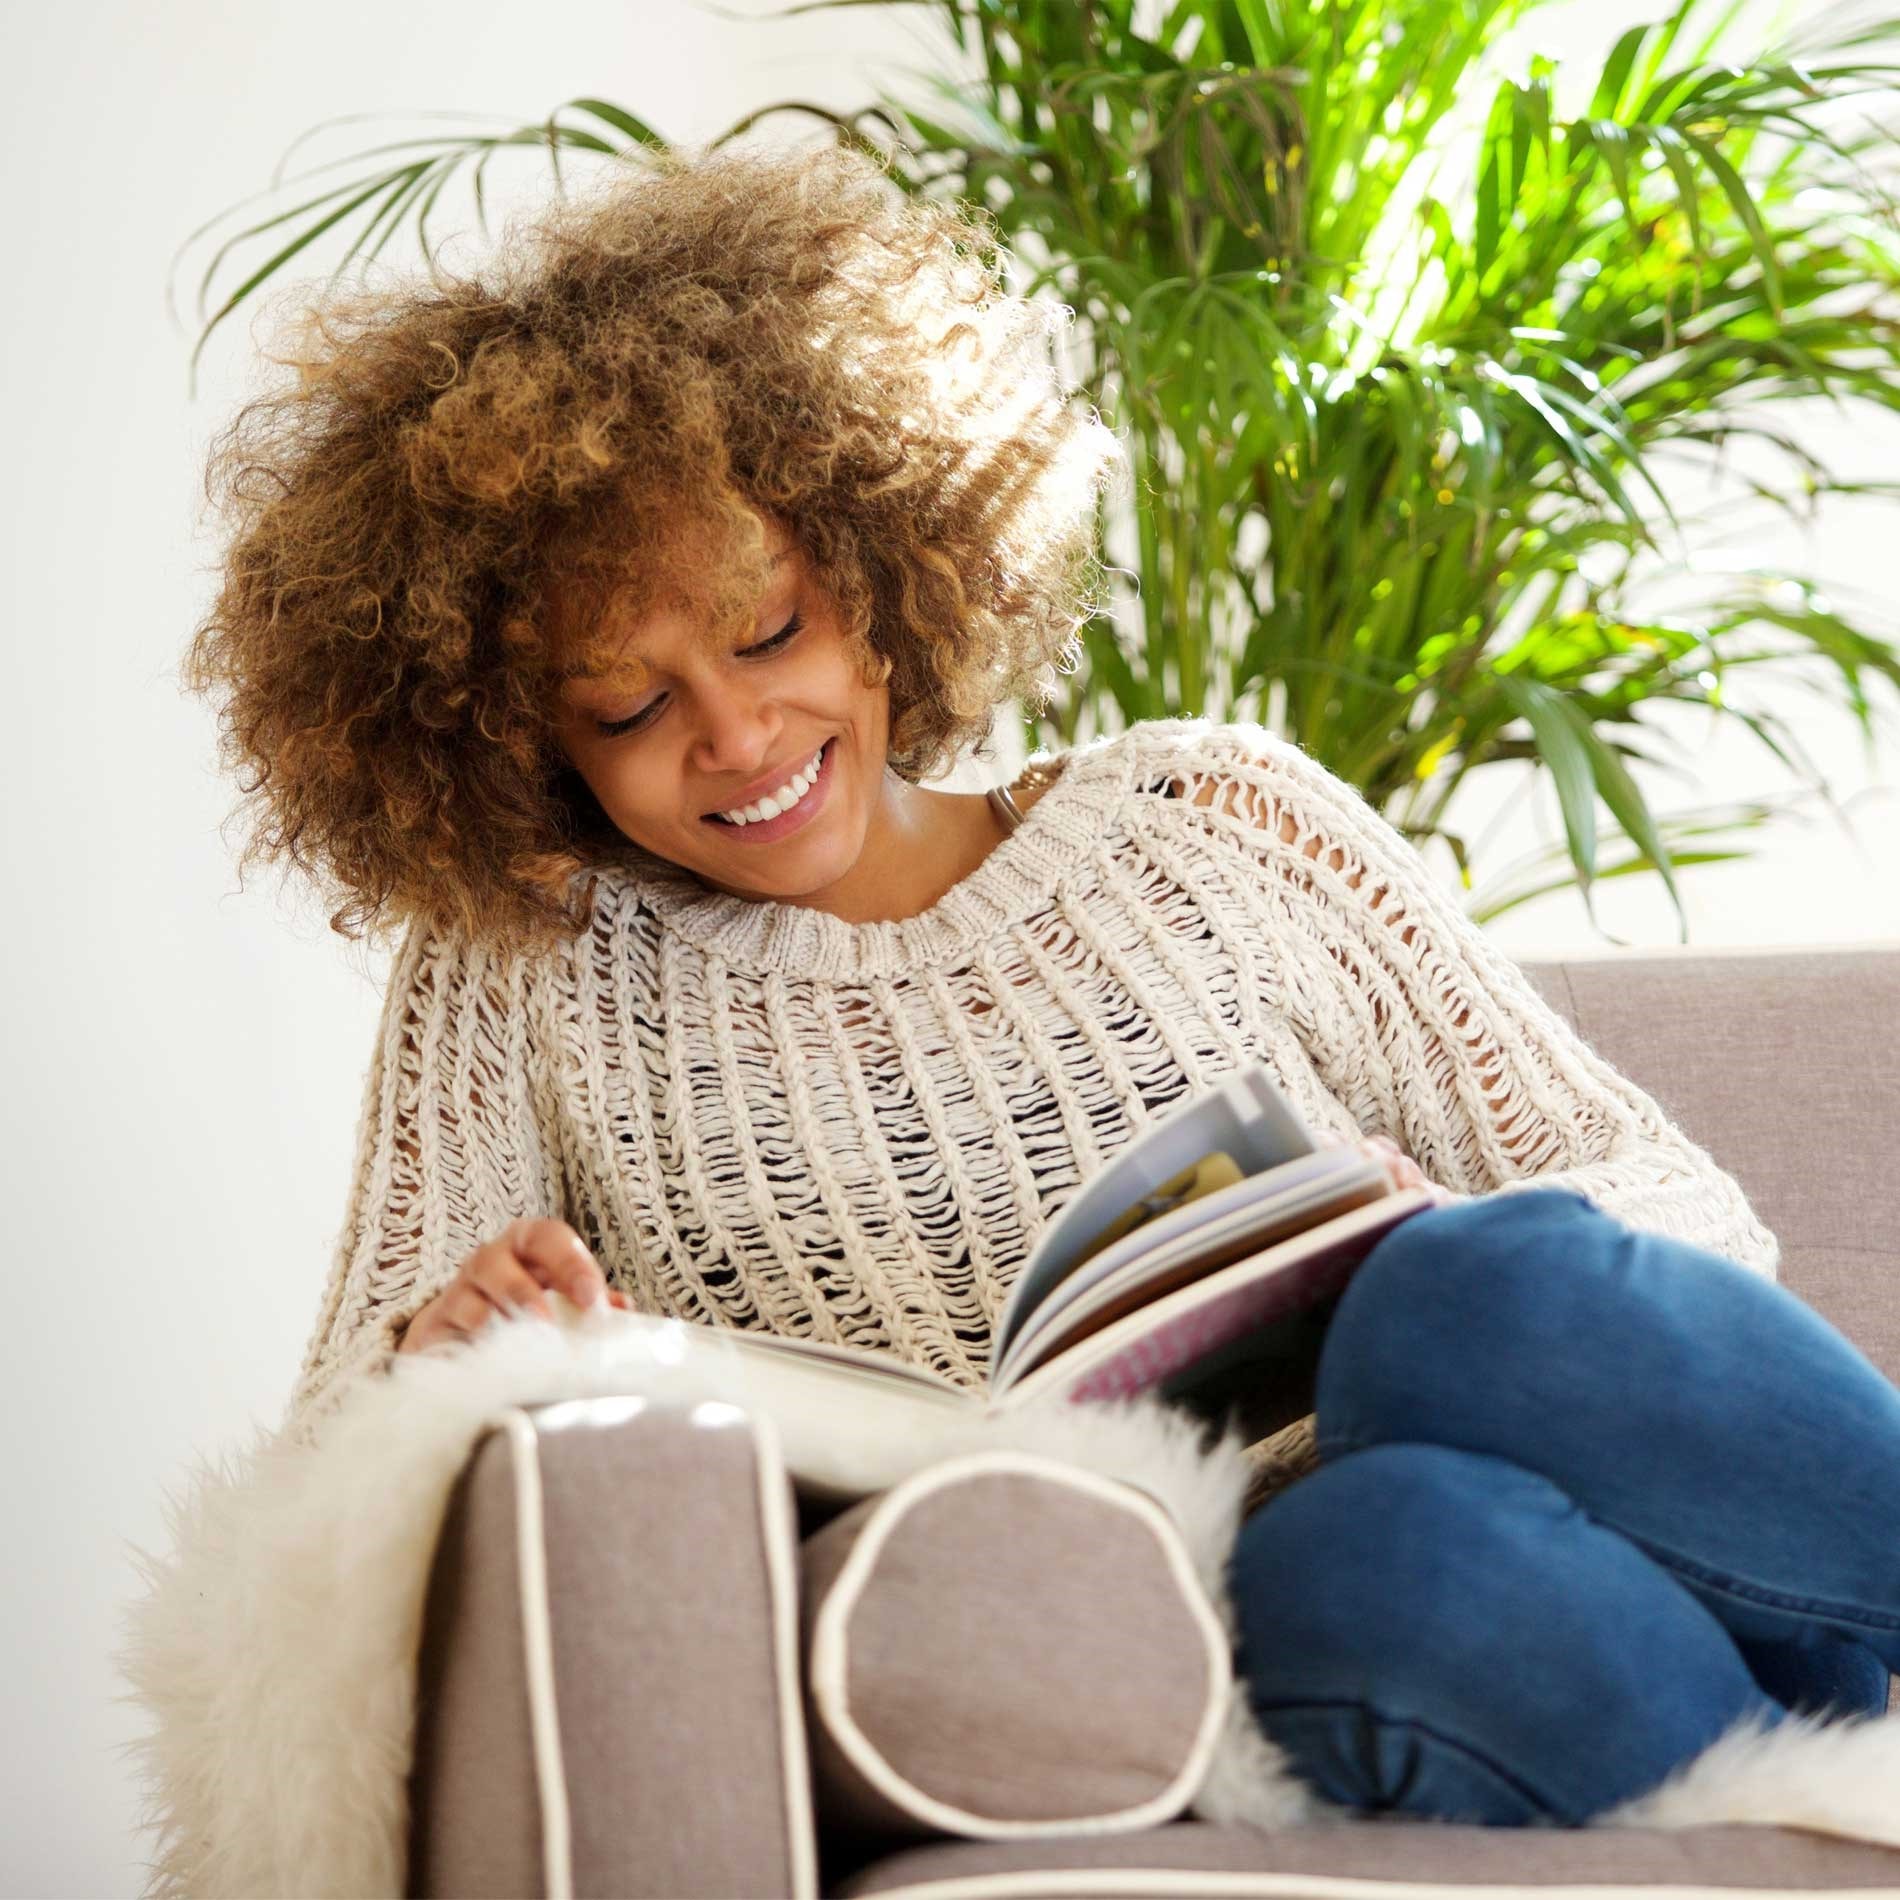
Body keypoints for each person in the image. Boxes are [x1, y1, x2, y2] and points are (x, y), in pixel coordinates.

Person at [179, 139, 1896, 1825]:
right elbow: (321, 1511)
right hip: (1214, 1636)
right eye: (630, 707)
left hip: (1507, 1486)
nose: (739, 735)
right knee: (1384, 1559)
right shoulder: (529, 972)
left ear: (879, 563)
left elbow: (1673, 1201)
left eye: (770, 632)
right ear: (517, 744)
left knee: (1468, 1293)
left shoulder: (1217, 815)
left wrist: (1391, 1253)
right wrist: (440, 1355)